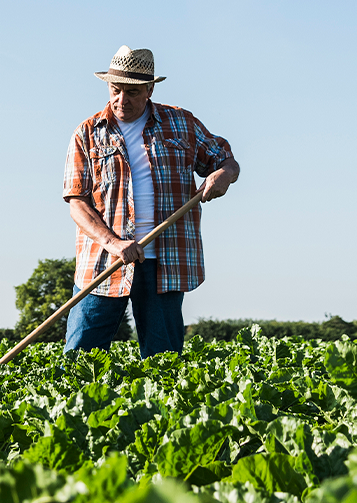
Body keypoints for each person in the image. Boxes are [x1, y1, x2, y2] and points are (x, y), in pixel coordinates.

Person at [61, 45, 239, 357]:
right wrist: (114, 243)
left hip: (165, 262)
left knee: (163, 362)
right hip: (103, 261)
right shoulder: (87, 133)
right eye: (116, 90)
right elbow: (77, 201)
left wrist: (223, 175)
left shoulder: (182, 124)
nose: (122, 100)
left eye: (132, 92)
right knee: (80, 357)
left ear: (150, 90)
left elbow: (225, 161)